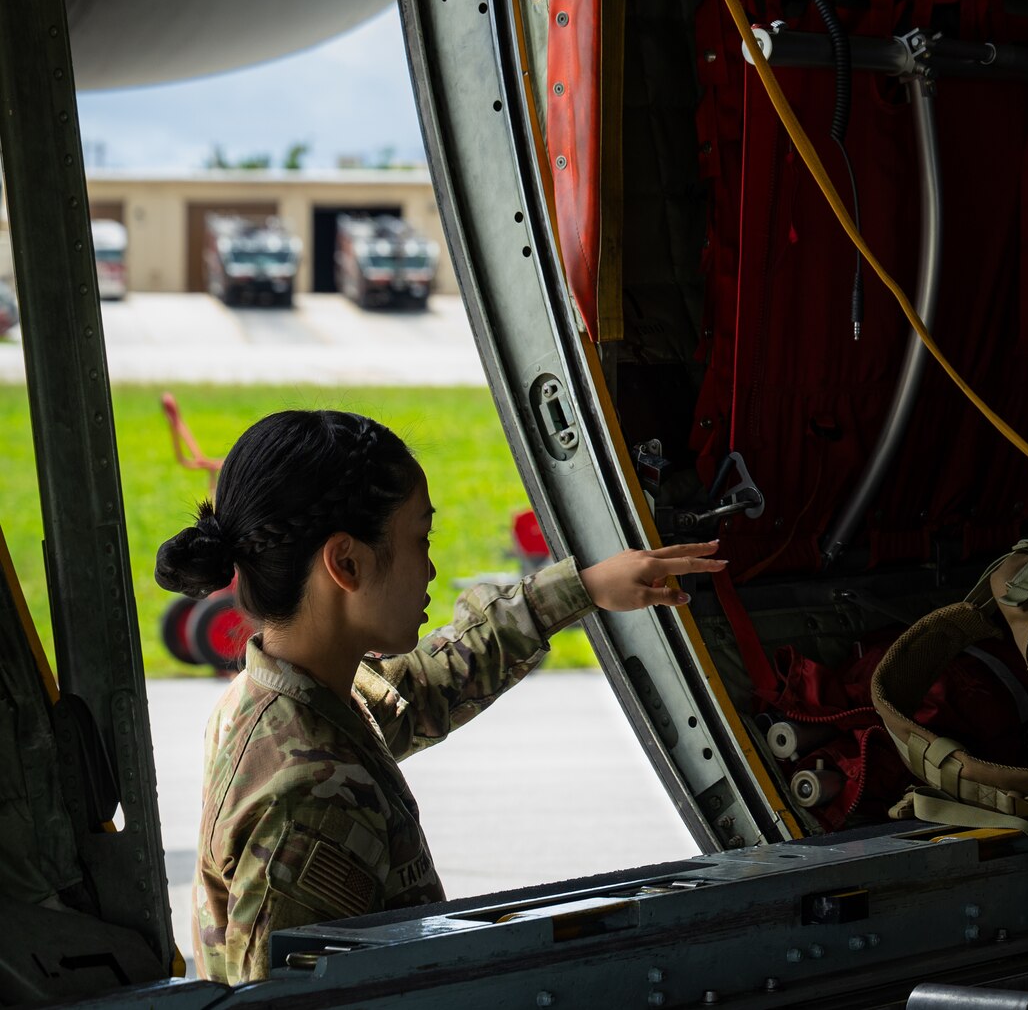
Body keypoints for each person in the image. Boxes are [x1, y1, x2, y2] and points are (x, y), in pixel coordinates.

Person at [155, 410, 726, 983]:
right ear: (346, 562)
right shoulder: (310, 796)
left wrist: (582, 589)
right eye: (420, 539)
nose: (430, 567)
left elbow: (428, 685)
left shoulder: (274, 699)